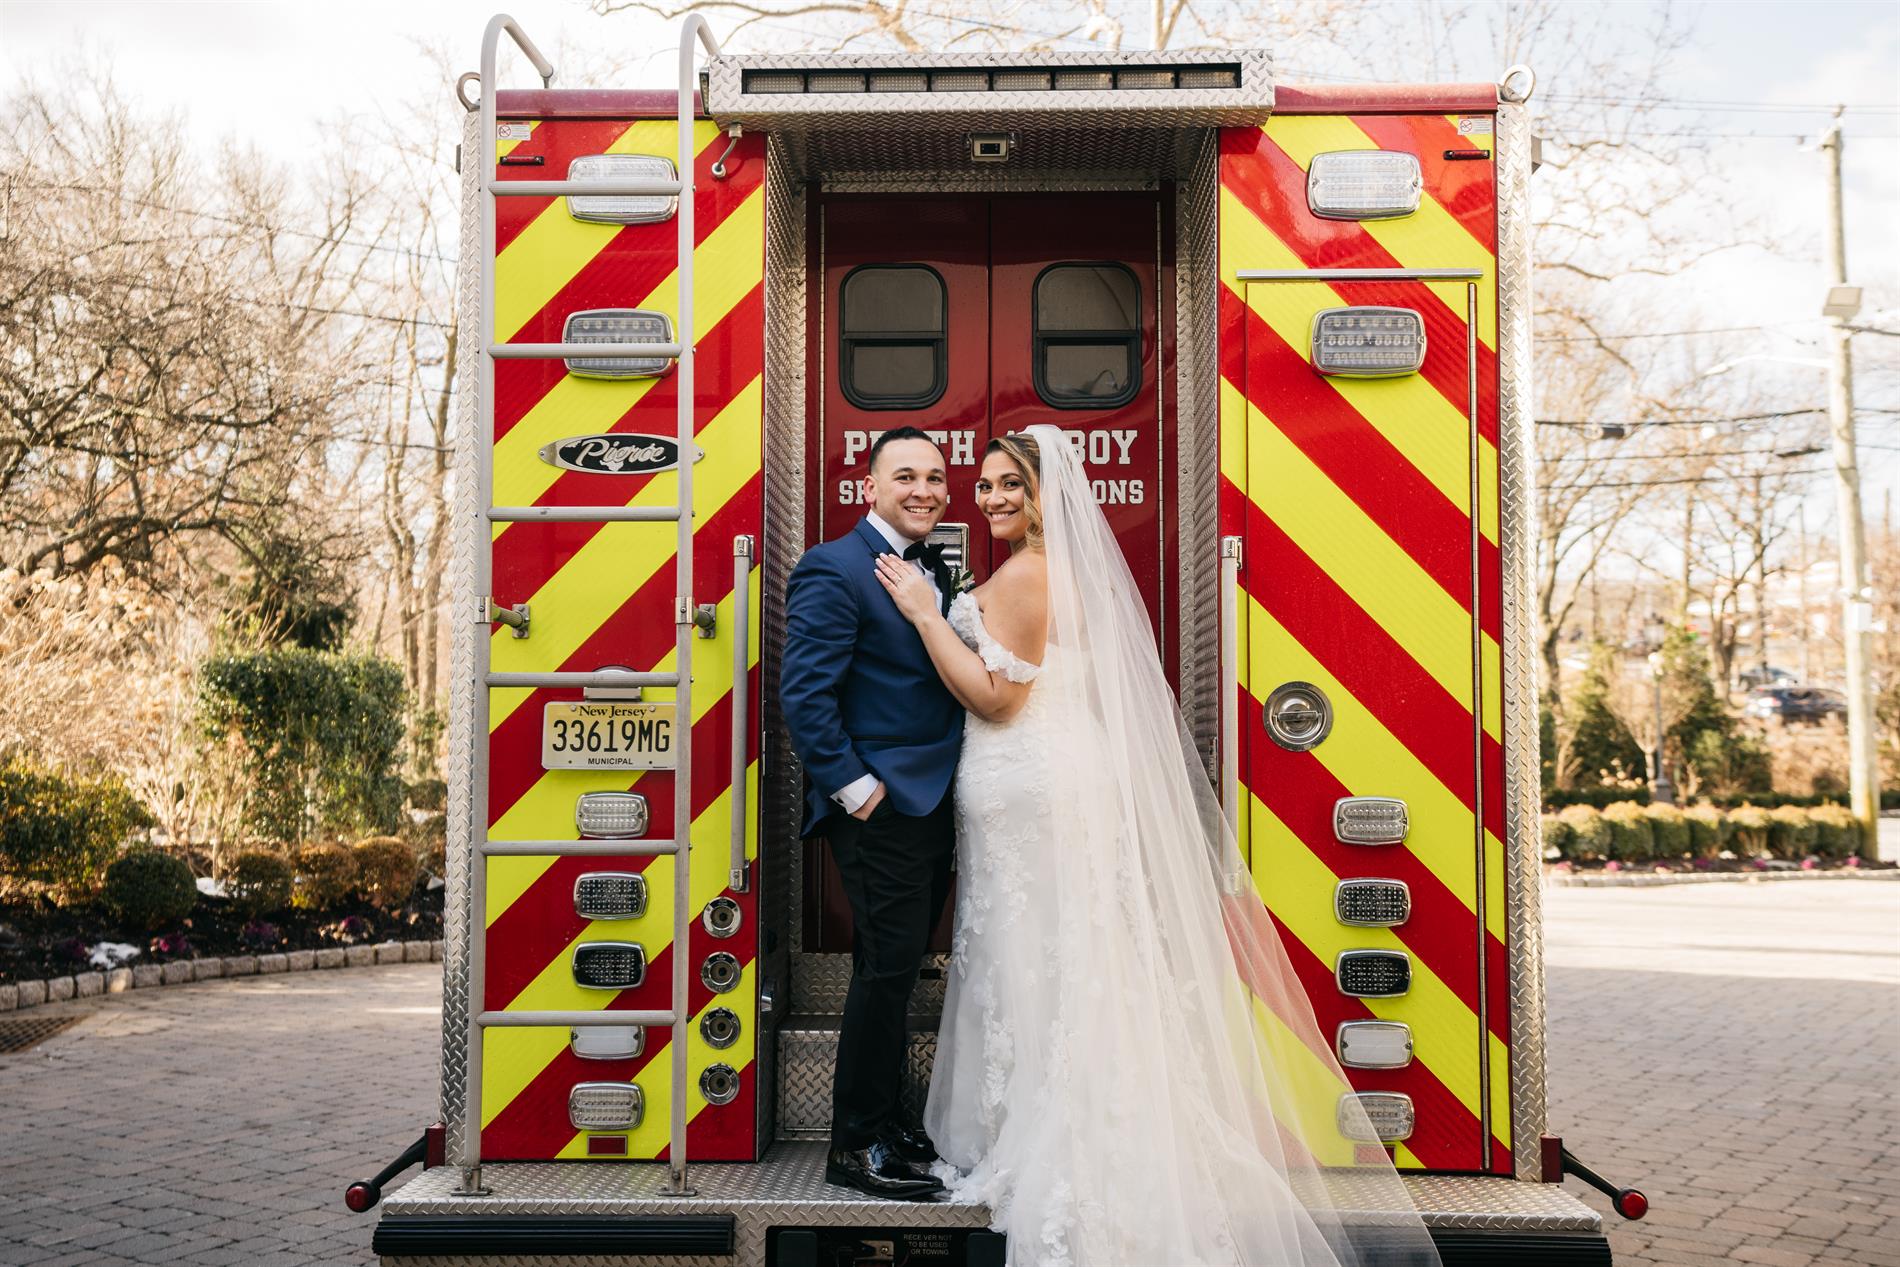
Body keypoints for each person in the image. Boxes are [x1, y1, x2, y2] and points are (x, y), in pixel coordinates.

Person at [872, 425, 1444, 1266]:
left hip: (1032, 785)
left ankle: (1055, 1134)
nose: (991, 497)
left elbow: (997, 700)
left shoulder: (1028, 575)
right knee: (1064, 954)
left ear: (1046, 496)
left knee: (1037, 955)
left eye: (1010, 484)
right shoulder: (1055, 572)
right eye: (985, 484)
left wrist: (928, 618)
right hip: (1048, 783)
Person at [781, 426, 961, 1201]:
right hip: (881, 807)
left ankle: (889, 1123)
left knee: (896, 968)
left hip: (931, 804)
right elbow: (805, 695)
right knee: (886, 971)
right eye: (906, 476)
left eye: (935, 477)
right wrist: (858, 790)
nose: (924, 489)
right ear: (871, 487)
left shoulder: (933, 567)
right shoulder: (834, 566)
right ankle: (854, 1144)